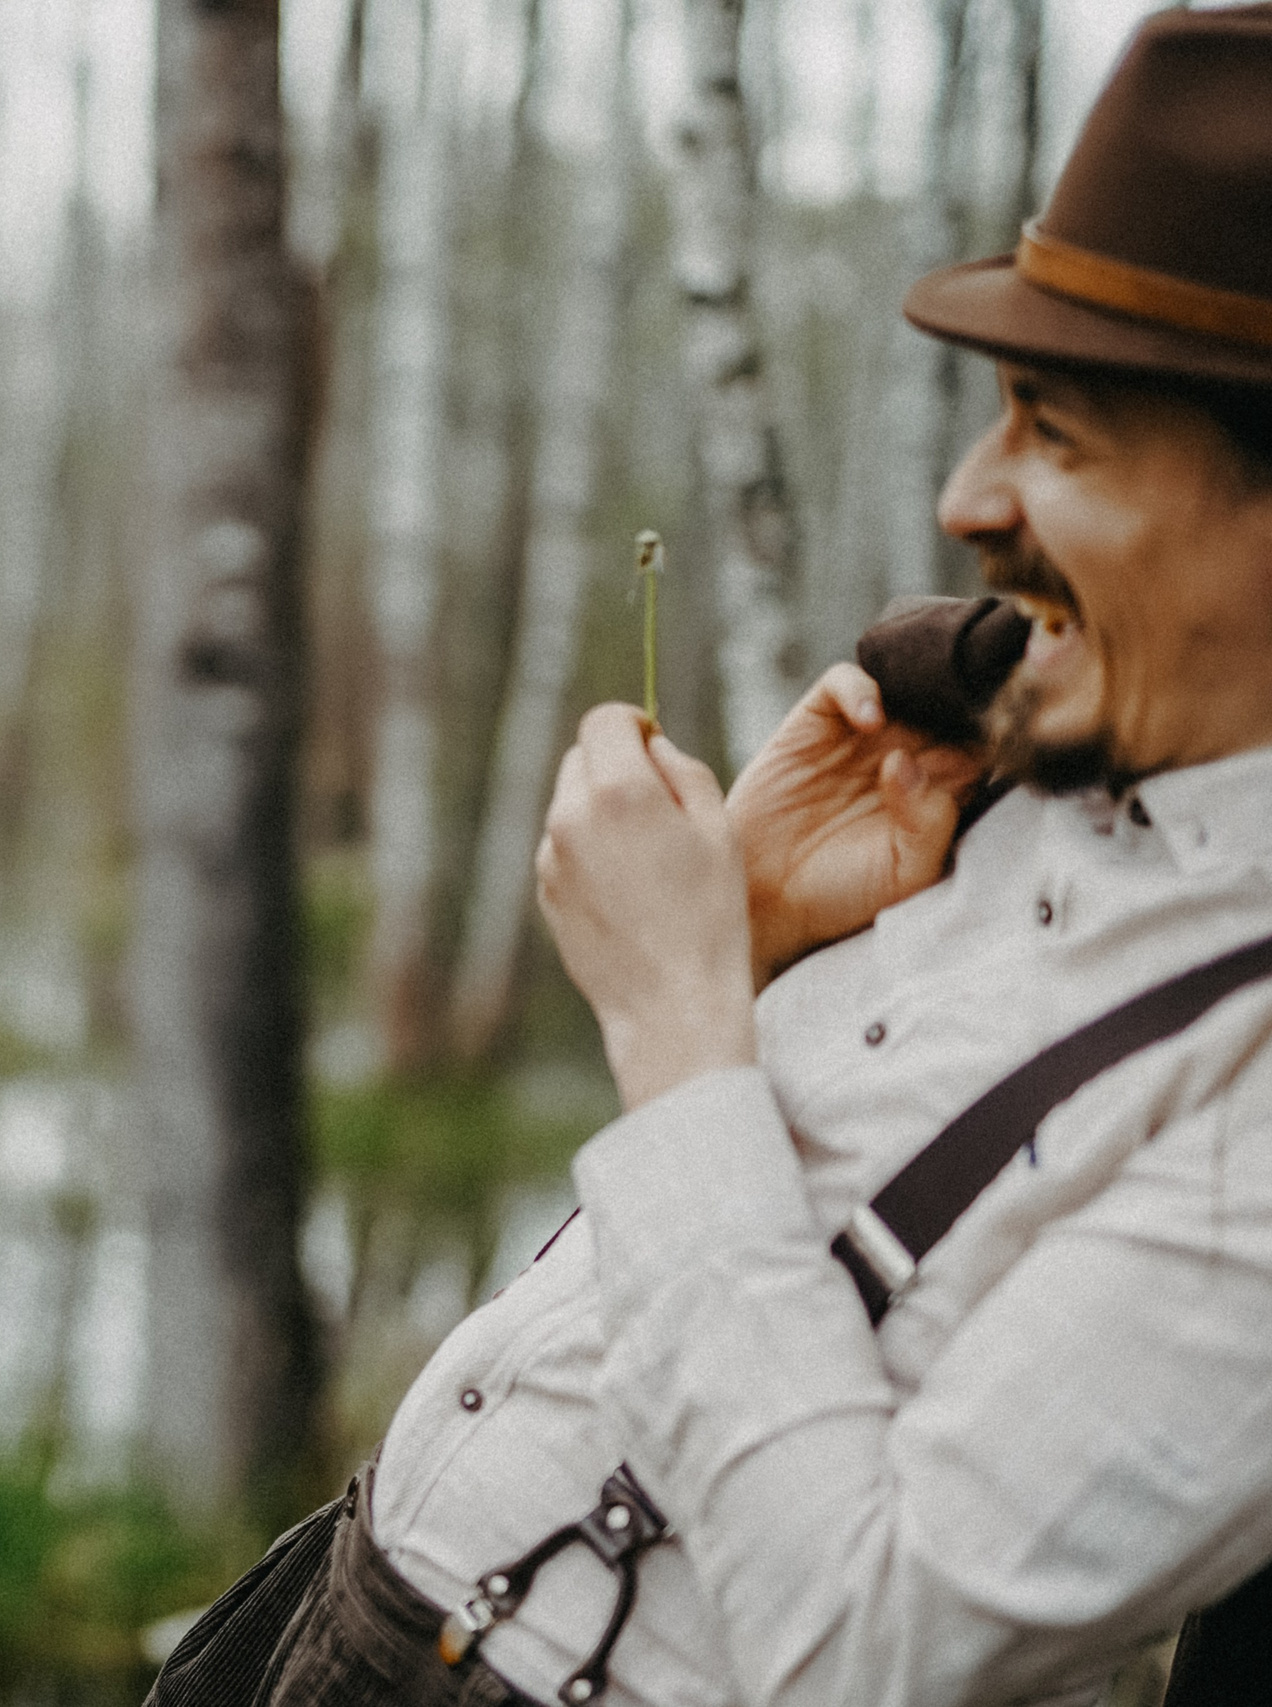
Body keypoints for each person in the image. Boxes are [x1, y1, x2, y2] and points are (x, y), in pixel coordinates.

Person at [155, 8, 1272, 1706]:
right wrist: (748, 945)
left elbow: (869, 1638)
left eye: (1056, 431)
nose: (973, 495)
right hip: (337, 1613)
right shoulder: (1022, 761)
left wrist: (679, 1029)